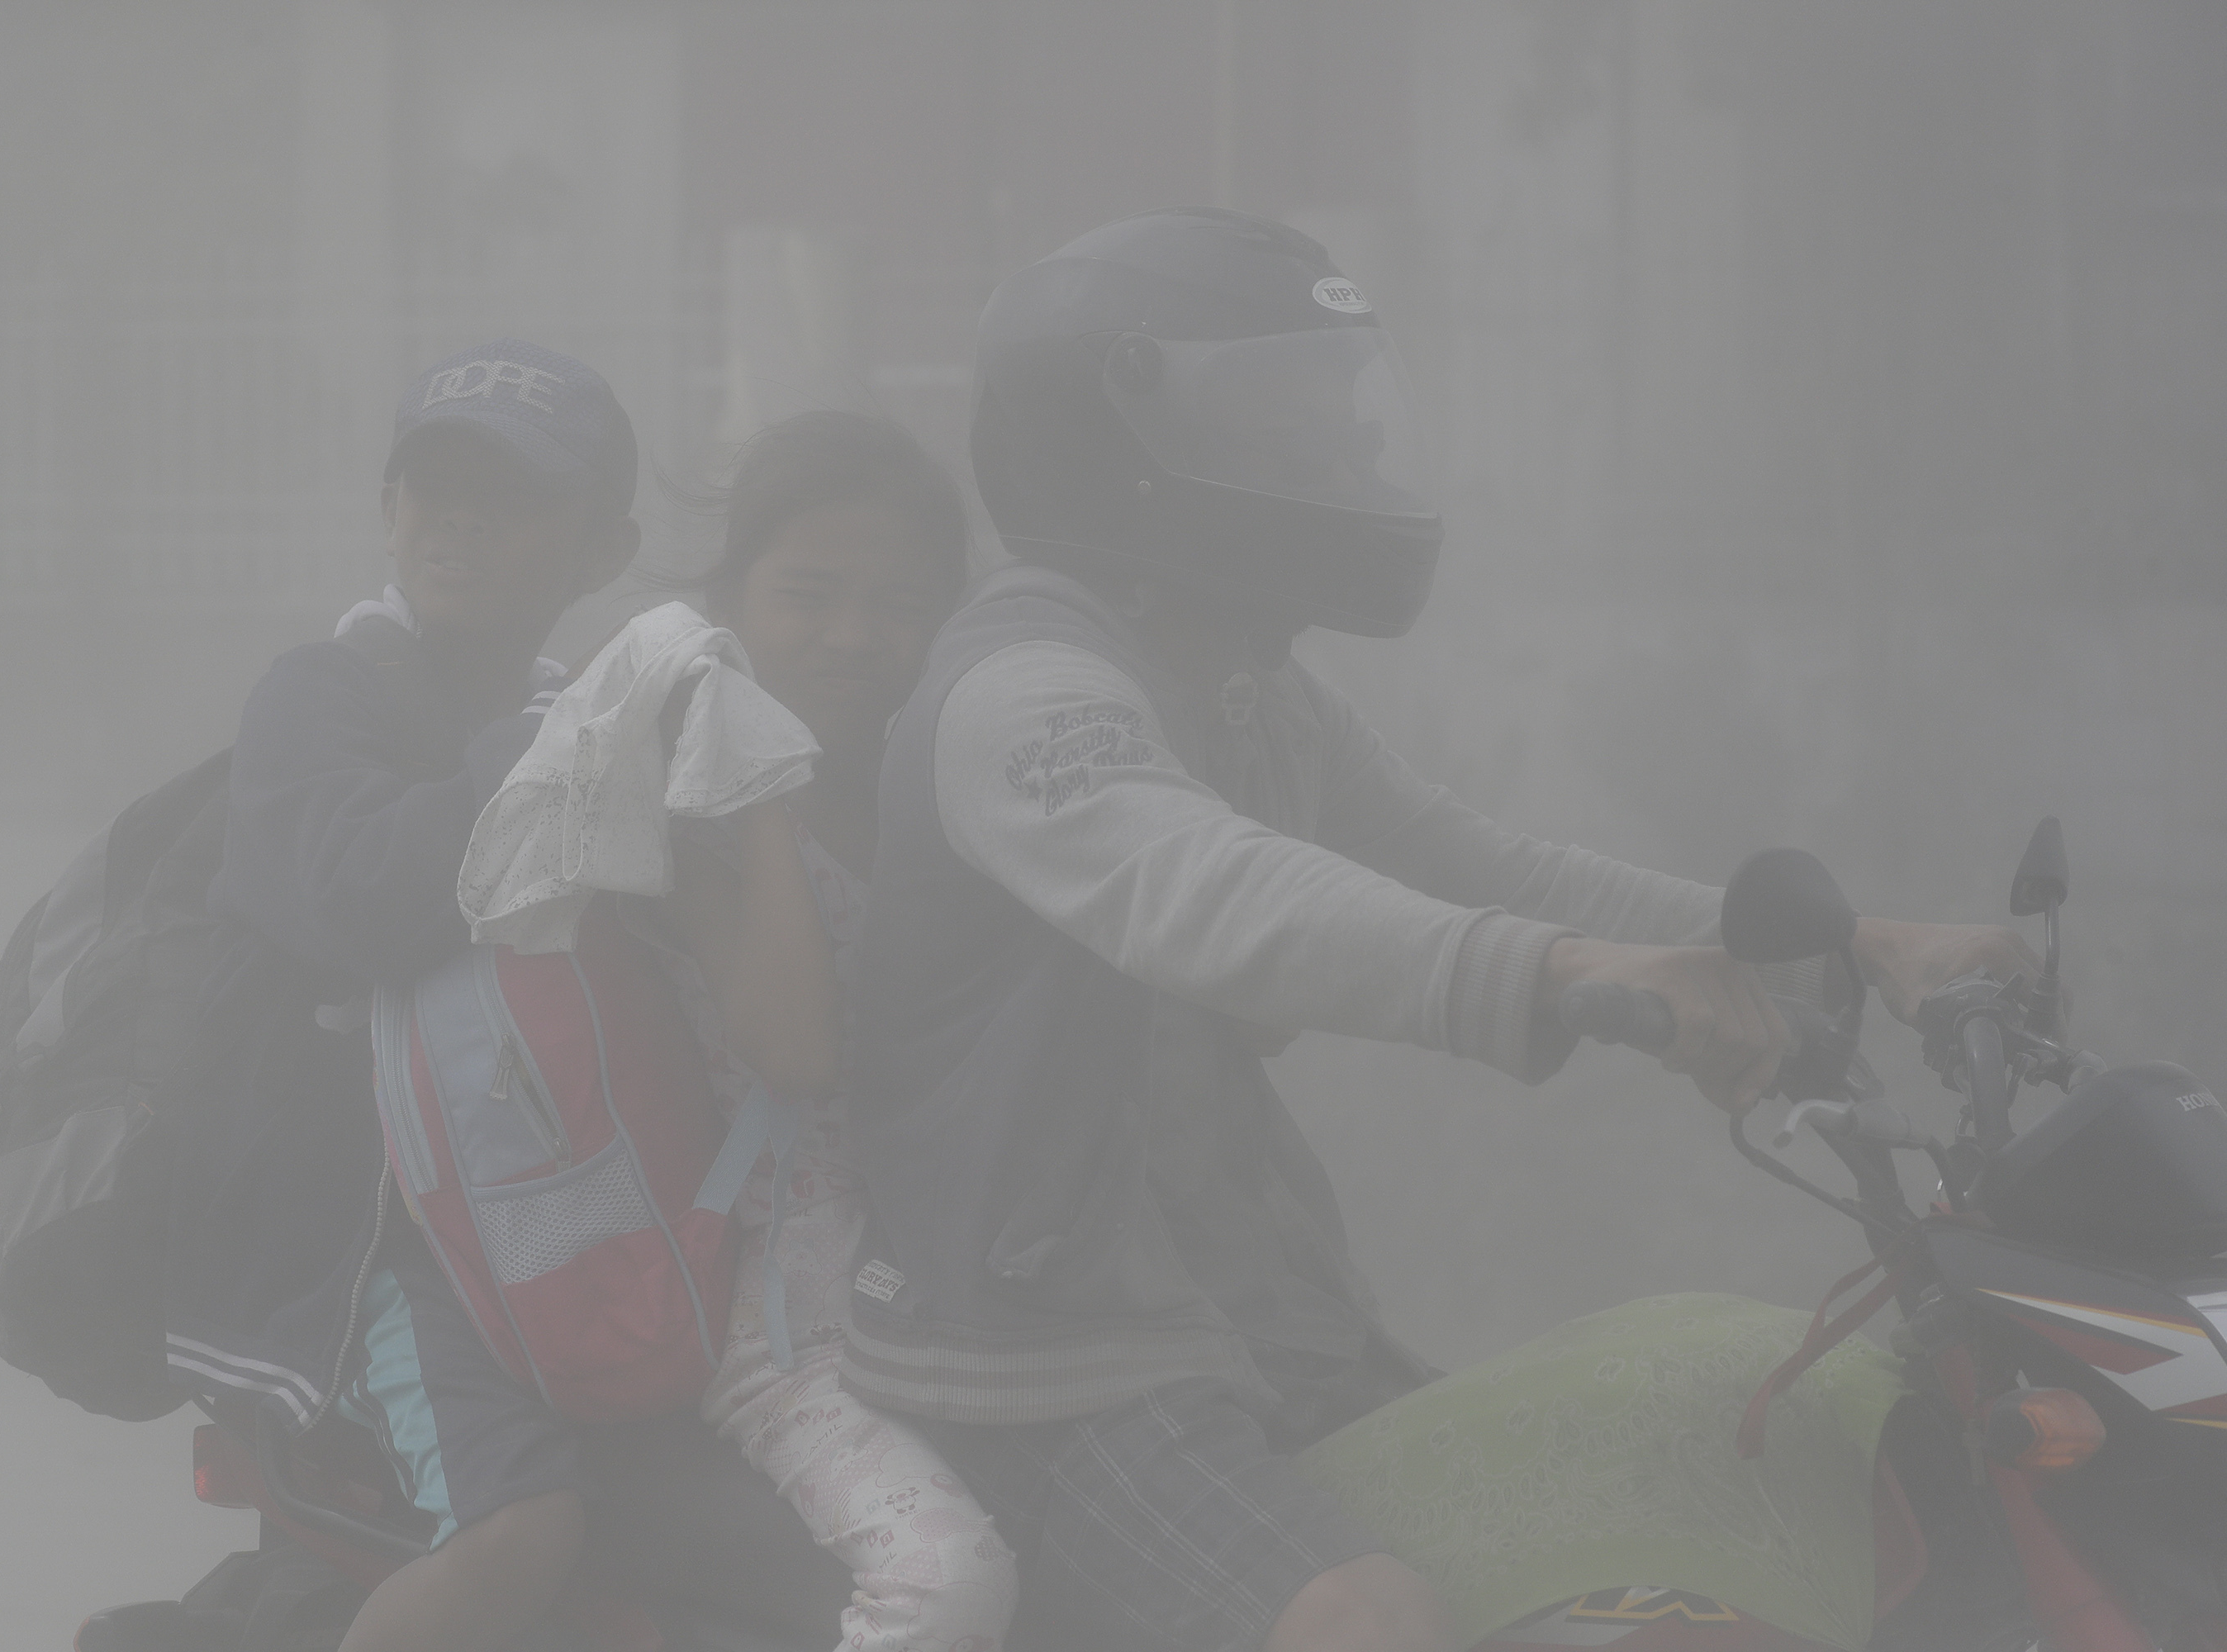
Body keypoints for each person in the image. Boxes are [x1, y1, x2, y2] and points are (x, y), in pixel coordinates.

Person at [838, 209, 2041, 1652]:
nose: (1340, 461)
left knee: (1650, 1540)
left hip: (1251, 1319)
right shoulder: (1025, 694)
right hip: (1049, 1371)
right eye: (1291, 427)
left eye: (1342, 418)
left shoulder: (1243, 685)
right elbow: (1215, 893)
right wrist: (1558, 975)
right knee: (1378, 1619)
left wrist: (1847, 947)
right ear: (1125, 446)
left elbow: (1480, 862)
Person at [164, 339, 843, 1652]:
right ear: (389, 510)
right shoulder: (323, 695)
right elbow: (357, 896)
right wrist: (564, 744)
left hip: (568, 1228)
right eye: (433, 483)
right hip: (361, 1251)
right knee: (522, 1530)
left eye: (513, 493)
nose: (459, 516)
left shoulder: (592, 728)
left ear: (604, 549)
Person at [662, 412, 1016, 1652]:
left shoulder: (938, 795)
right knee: (951, 1585)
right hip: (786, 1323)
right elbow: (797, 1052)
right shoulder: (695, 818)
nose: (854, 635)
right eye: (809, 595)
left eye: (896, 603)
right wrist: (758, 771)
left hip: (968, 1300)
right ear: (729, 601)